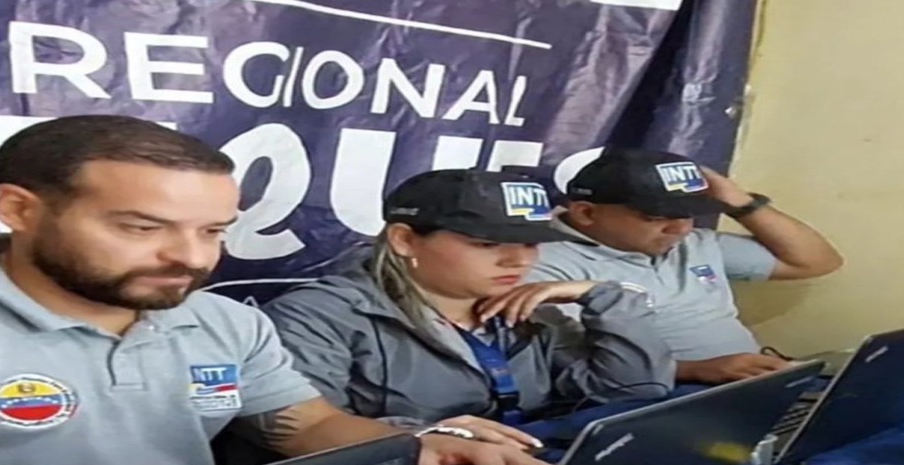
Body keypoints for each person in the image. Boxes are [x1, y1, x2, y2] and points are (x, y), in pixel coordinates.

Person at [0, 115, 549, 465]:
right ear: (19, 209)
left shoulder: (221, 319)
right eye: (142, 228)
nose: (191, 257)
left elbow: (304, 424)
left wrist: (404, 448)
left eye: (212, 231)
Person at [262, 169, 675, 449]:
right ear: (405, 240)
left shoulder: (530, 310)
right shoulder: (319, 317)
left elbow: (633, 393)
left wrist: (604, 296)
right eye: (487, 244)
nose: (518, 261)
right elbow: (311, 436)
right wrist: (436, 438)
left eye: (530, 243)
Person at [528, 148, 843, 384]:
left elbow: (816, 262)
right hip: (654, 400)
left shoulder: (694, 243)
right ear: (586, 213)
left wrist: (741, 203)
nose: (679, 229)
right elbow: (574, 369)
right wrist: (696, 370)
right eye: (656, 217)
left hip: (747, 386)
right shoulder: (543, 263)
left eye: (688, 214)